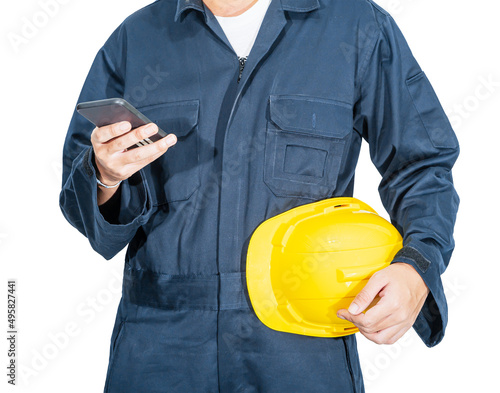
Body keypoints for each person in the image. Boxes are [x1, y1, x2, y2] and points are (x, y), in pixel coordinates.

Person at [59, 0, 460, 391]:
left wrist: (416, 267)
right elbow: (83, 195)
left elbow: (421, 163)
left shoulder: (356, 26)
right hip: (160, 348)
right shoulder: (136, 40)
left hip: (300, 345)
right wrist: (105, 175)